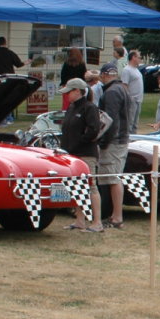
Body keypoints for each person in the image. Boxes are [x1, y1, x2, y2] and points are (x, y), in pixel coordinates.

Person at [58, 77, 103, 233]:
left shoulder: (89, 108)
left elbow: (94, 130)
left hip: (86, 154)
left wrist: (78, 142)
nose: (67, 95)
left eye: (69, 92)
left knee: (91, 187)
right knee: (77, 187)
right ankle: (80, 220)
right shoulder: (71, 107)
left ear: (77, 91)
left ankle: (97, 222)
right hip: (72, 154)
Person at [97, 62, 130, 229]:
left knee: (113, 177)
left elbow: (110, 120)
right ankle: (113, 215)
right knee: (112, 177)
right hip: (121, 138)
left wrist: (103, 141)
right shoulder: (122, 88)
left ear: (104, 75)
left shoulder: (111, 92)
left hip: (114, 141)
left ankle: (117, 216)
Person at [121, 50, 144, 133]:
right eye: (139, 57)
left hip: (138, 100)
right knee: (130, 123)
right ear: (133, 57)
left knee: (135, 123)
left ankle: (134, 140)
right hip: (132, 100)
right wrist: (128, 98)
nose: (140, 59)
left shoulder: (136, 70)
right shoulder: (127, 70)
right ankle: (128, 140)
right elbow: (124, 85)